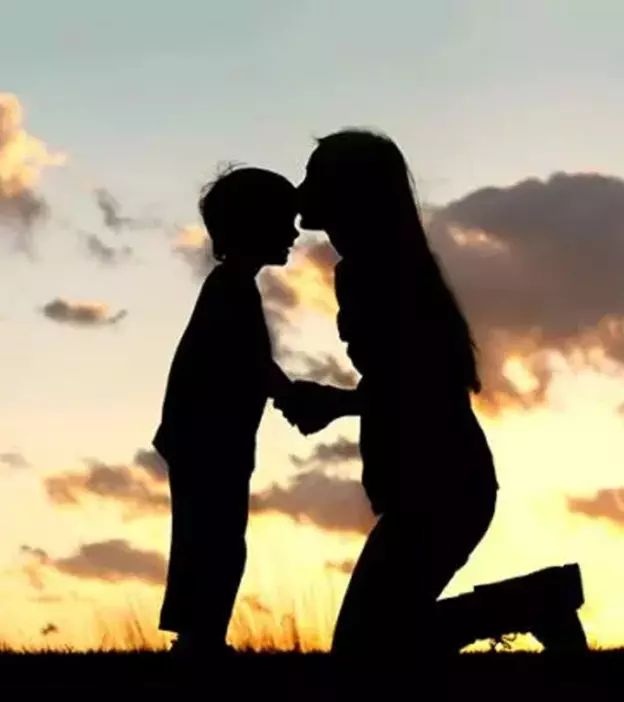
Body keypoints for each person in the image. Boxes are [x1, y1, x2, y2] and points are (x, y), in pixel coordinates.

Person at [278, 129, 586, 659]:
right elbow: (406, 379)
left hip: (439, 485)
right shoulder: (381, 266)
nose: (302, 188)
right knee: (377, 641)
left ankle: (536, 601)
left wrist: (337, 402)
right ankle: (535, 601)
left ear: (349, 191)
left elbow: (415, 384)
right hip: (436, 483)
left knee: (365, 649)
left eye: (314, 177)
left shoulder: (376, 272)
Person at [153, 167, 298, 656]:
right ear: (255, 224)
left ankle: (199, 634)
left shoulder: (232, 284)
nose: (295, 232)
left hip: (211, 434)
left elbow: (250, 363)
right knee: (214, 536)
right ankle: (200, 637)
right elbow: (249, 361)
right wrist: (293, 394)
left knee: (211, 533)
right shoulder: (231, 286)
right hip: (209, 437)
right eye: (285, 220)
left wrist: (286, 390)